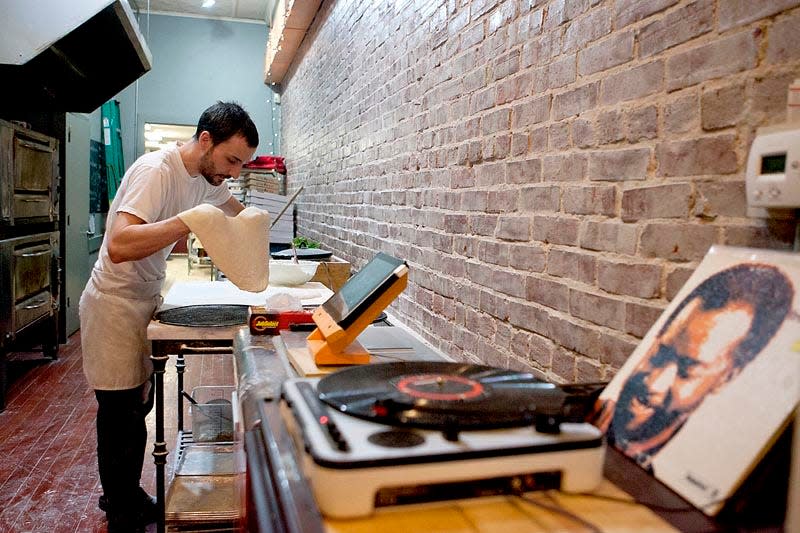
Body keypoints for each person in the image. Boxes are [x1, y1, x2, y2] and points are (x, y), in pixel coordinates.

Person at [79, 101, 258, 532]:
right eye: (232, 160)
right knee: (120, 411)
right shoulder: (156, 171)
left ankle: (126, 495)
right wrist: (188, 221)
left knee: (138, 405)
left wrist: (259, 230)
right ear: (205, 141)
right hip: (115, 301)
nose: (234, 173)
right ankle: (121, 513)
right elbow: (120, 244)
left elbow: (238, 217)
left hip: (146, 296)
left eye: (242, 164)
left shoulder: (208, 178)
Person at [592, 263, 794, 472]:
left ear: (727, 377)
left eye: (687, 370)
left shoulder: (698, 469)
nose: (654, 383)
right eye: (662, 352)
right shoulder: (594, 418)